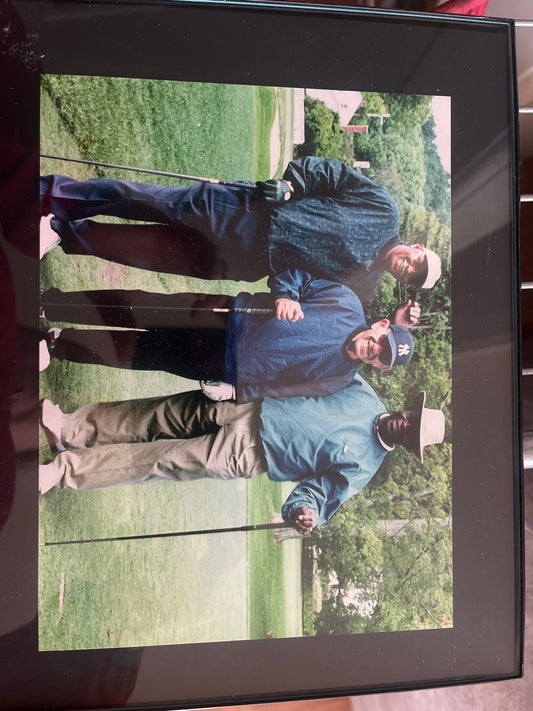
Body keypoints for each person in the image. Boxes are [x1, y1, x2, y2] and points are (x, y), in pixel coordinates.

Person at [39, 376, 446, 533]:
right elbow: (306, 367)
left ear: (408, 447)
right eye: (412, 417)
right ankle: (70, 430)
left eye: (411, 433)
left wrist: (305, 515)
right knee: (158, 413)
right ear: (410, 408)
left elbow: (317, 496)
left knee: (159, 460)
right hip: (248, 403)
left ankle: (63, 471)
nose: (405, 424)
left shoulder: (364, 468)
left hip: (250, 452)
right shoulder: (362, 390)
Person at [40, 157, 442, 307]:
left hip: (243, 262)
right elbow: (332, 174)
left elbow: (308, 289)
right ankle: (52, 195)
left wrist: (287, 293)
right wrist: (292, 185)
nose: (408, 268)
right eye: (416, 263)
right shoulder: (384, 210)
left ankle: (63, 233)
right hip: (248, 211)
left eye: (413, 277)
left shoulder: (363, 290)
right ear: (418, 247)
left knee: (144, 251)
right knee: (146, 200)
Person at [39, 269, 416, 401]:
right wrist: (285, 294)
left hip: (223, 363)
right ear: (382, 325)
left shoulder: (339, 378)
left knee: (138, 354)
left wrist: (237, 391)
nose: (372, 349)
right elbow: (296, 277)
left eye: (379, 356)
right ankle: (54, 305)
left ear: (379, 367)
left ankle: (57, 343)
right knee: (139, 305)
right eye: (378, 341)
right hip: (227, 316)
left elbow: (283, 390)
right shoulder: (346, 301)